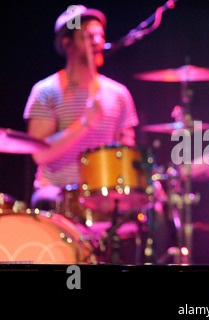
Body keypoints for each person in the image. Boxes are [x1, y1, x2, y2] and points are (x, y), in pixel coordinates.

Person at [23, 5, 139, 210]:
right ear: (68, 44)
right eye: (88, 36)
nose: (98, 42)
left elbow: (126, 149)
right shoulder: (46, 91)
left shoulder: (119, 94)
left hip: (104, 193)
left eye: (100, 36)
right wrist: (85, 124)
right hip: (56, 193)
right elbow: (40, 155)